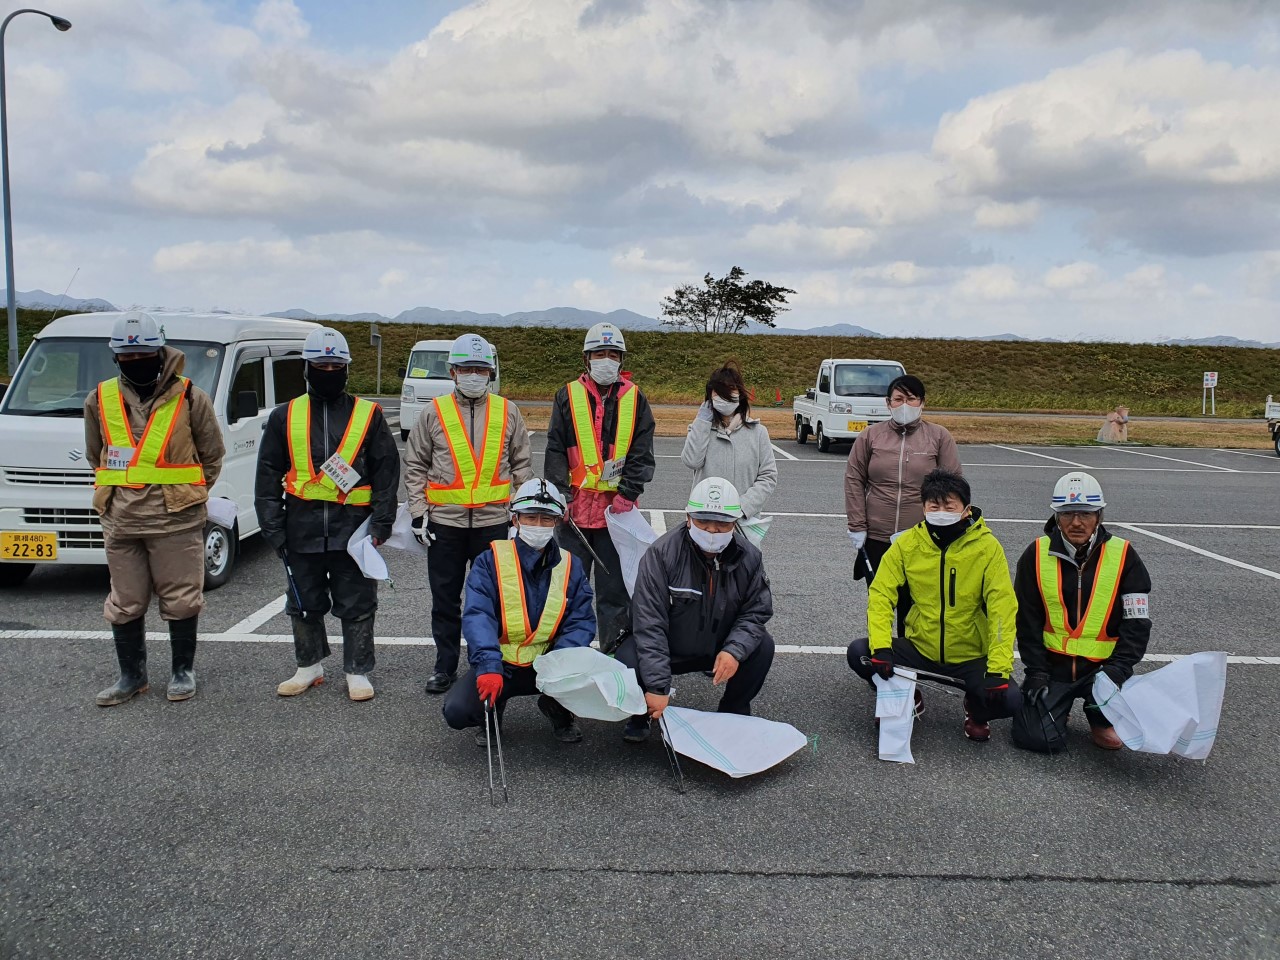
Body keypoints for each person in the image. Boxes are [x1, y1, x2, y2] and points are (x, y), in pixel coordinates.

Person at [85, 312, 226, 706]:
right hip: (122, 519)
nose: (135, 362)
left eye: (143, 354)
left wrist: (188, 493)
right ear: (115, 358)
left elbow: (212, 455)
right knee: (124, 600)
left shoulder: (190, 397)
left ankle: (182, 671)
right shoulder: (99, 399)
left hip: (176, 517)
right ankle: (131, 676)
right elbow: (96, 455)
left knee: (181, 597)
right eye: (126, 357)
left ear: (160, 353)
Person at [255, 327, 400, 701]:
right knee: (303, 601)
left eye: (336, 365)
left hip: (353, 531)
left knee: (358, 601)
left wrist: (382, 522)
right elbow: (268, 473)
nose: (329, 371)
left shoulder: (369, 415)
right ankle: (309, 666)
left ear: (347, 369)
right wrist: (272, 527)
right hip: (299, 527)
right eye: (322, 364)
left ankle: (358, 671)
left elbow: (386, 471)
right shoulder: (283, 416)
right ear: (307, 368)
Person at [848, 469, 1019, 741]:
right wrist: (881, 645)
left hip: (970, 653)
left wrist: (998, 667)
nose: (941, 512)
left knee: (1009, 699)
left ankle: (975, 709)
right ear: (924, 507)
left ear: (966, 509)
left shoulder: (987, 548)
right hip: (920, 646)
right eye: (934, 506)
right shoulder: (907, 544)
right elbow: (881, 594)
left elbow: (1003, 608)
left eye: (949, 506)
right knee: (860, 652)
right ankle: (909, 695)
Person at [404, 333, 532, 694]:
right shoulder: (433, 412)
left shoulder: (509, 411)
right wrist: (418, 512)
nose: (473, 375)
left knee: (492, 600)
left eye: (480, 369)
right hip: (445, 524)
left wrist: (520, 515)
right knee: (445, 599)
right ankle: (444, 666)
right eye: (466, 368)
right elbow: (415, 464)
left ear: (490, 373)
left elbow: (522, 466)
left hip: (494, 524)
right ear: (453, 371)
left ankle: (485, 663)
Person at [615, 478, 776, 743]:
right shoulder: (661, 554)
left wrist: (734, 650)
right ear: (688, 518)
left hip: (718, 646)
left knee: (762, 646)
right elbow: (649, 623)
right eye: (703, 522)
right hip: (671, 645)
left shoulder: (749, 557)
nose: (712, 531)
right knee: (627, 656)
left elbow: (756, 612)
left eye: (722, 524)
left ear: (735, 523)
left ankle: (734, 710)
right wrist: (657, 686)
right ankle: (642, 711)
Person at [442, 479, 596, 743]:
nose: (538, 525)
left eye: (547, 519)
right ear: (515, 520)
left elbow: (581, 621)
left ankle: (556, 707)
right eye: (530, 517)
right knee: (458, 711)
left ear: (558, 521)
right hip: (501, 665)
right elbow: (478, 616)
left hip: (548, 662)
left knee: (595, 680)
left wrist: (561, 665)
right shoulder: (489, 561)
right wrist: (488, 667)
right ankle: (492, 709)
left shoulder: (571, 565)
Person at [1011, 472, 1153, 752]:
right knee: (1034, 739)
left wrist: (1118, 670)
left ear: (1099, 515)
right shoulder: (1036, 554)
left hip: (1103, 672)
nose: (1076, 522)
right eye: (1067, 513)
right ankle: (1057, 711)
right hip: (1054, 671)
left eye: (1085, 513)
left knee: (1117, 736)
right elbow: (1026, 620)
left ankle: (1100, 717)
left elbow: (1137, 623)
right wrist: (1036, 671)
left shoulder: (1125, 555)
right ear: (1056, 517)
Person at [544, 322, 656, 652]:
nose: (605, 360)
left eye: (612, 354)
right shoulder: (567, 395)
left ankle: (613, 660)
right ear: (586, 358)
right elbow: (555, 447)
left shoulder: (635, 399)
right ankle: (568, 661)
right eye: (599, 354)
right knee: (568, 591)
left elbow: (641, 449)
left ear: (621, 360)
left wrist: (629, 492)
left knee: (614, 595)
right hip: (573, 514)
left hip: (614, 514)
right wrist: (559, 494)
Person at [845, 374, 961, 637]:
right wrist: (857, 525)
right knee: (880, 601)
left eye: (911, 398)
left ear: (922, 402)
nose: (904, 404)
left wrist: (948, 525)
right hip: (876, 537)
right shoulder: (870, 436)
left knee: (916, 605)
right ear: (888, 403)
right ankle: (880, 660)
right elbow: (854, 480)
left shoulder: (939, 437)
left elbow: (954, 485)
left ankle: (910, 663)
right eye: (898, 398)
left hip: (922, 538)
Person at [680, 362, 777, 520]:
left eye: (731, 390)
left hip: (743, 520)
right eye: (718, 393)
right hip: (705, 520)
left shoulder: (758, 432)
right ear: (710, 396)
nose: (724, 397)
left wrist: (742, 507)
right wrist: (702, 421)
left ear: (740, 393)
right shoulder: (700, 429)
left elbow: (768, 476)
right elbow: (691, 461)